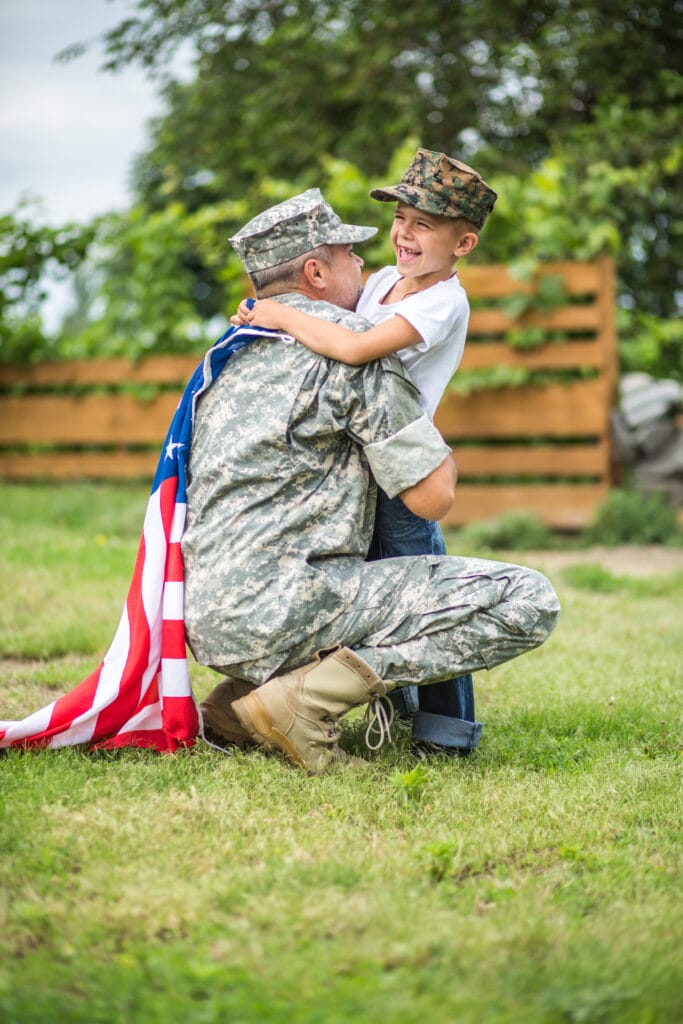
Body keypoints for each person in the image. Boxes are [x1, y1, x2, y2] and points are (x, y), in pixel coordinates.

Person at [183, 187, 560, 775]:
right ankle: (303, 702)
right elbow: (433, 497)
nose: (366, 264)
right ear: (316, 270)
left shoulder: (228, 355)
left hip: (207, 620)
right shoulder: (352, 355)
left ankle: (234, 703)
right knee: (528, 599)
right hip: (288, 608)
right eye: (348, 254)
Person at [231, 149, 497, 759]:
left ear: (464, 243)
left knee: (426, 594)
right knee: (369, 591)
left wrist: (278, 312)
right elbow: (321, 329)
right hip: (358, 467)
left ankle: (446, 732)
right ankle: (389, 708)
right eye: (402, 218)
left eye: (424, 225)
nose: (404, 233)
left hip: (403, 472)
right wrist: (272, 319)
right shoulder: (381, 281)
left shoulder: (441, 302)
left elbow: (356, 351)